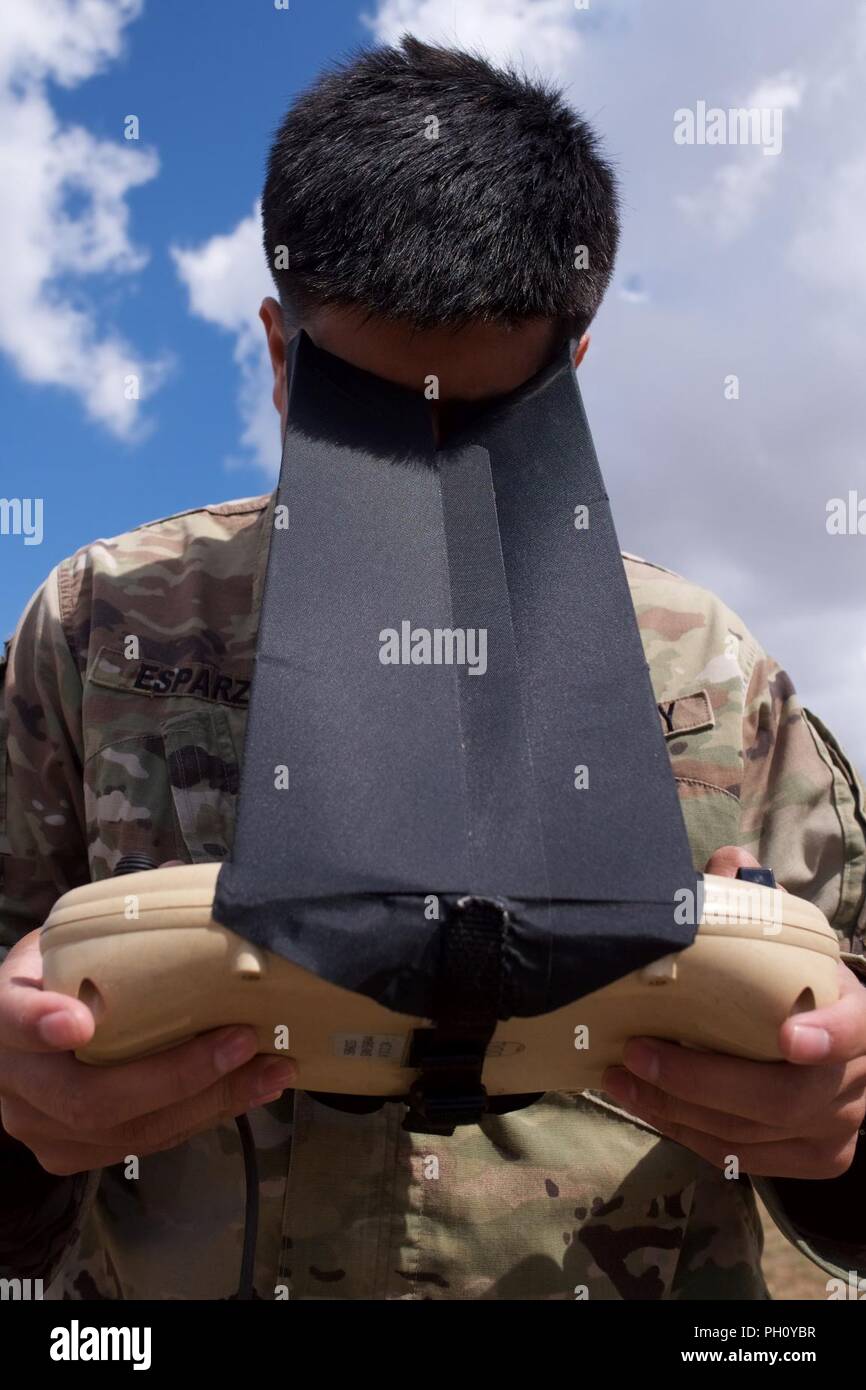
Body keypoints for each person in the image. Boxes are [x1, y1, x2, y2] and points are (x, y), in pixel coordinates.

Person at [1, 37, 864, 1301]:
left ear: (570, 366)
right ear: (279, 351)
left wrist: (837, 1129)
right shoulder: (106, 630)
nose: (419, 485)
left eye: (478, 429)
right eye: (364, 424)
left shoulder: (709, 677)